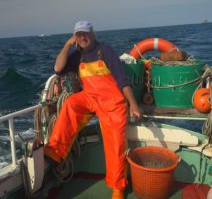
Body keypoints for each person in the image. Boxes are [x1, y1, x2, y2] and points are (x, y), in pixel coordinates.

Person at [44, 20, 142, 199]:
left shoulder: (106, 51)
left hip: (112, 102)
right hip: (90, 97)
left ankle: (117, 187)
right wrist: (67, 45)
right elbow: (58, 69)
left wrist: (133, 105)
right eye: (78, 35)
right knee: (71, 104)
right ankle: (55, 151)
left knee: (116, 144)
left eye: (85, 34)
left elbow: (122, 80)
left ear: (93, 34)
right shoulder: (76, 54)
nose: (82, 37)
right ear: (75, 37)